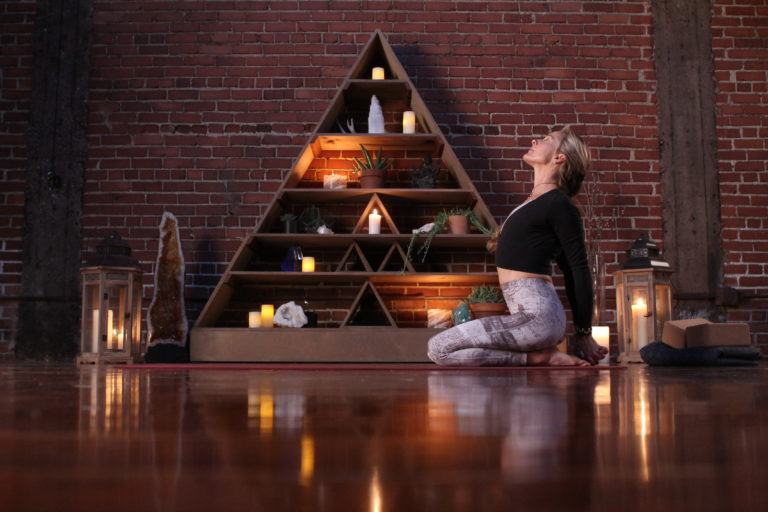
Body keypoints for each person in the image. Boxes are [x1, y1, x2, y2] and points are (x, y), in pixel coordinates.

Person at [428, 126, 608, 366]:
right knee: (439, 349)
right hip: (528, 317)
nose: (535, 140)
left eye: (546, 139)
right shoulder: (534, 203)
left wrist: (584, 332)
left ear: (559, 157)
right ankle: (539, 357)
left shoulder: (560, 205)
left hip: (538, 316)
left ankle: (538, 358)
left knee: (439, 348)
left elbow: (577, 269)